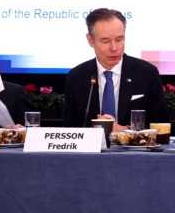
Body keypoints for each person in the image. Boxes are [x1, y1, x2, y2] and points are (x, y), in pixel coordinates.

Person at [62, 8, 169, 136]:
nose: (114, 48)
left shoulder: (147, 74)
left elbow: (161, 126)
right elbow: (69, 130)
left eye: (119, 39)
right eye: (105, 41)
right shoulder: (77, 77)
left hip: (135, 149)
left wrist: (126, 131)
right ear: (90, 40)